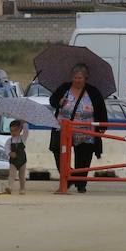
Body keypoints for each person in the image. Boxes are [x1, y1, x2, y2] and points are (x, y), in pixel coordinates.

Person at [49, 63, 108, 193]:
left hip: (85, 131)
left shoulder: (93, 91)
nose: (77, 80)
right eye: (75, 77)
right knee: (58, 153)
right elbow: (52, 100)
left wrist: (103, 125)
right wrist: (58, 101)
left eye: (80, 78)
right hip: (62, 129)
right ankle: (69, 178)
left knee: (84, 157)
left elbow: (101, 109)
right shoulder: (64, 87)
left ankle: (81, 184)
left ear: (85, 78)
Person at [7, 119, 28, 194]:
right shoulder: (9, 140)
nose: (13, 132)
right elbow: (6, 148)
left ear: (20, 130)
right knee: (12, 174)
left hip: (22, 160)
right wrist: (10, 153)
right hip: (13, 161)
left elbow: (26, 132)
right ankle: (10, 187)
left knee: (21, 176)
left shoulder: (23, 138)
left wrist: (24, 123)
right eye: (11, 131)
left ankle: (22, 189)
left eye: (15, 130)